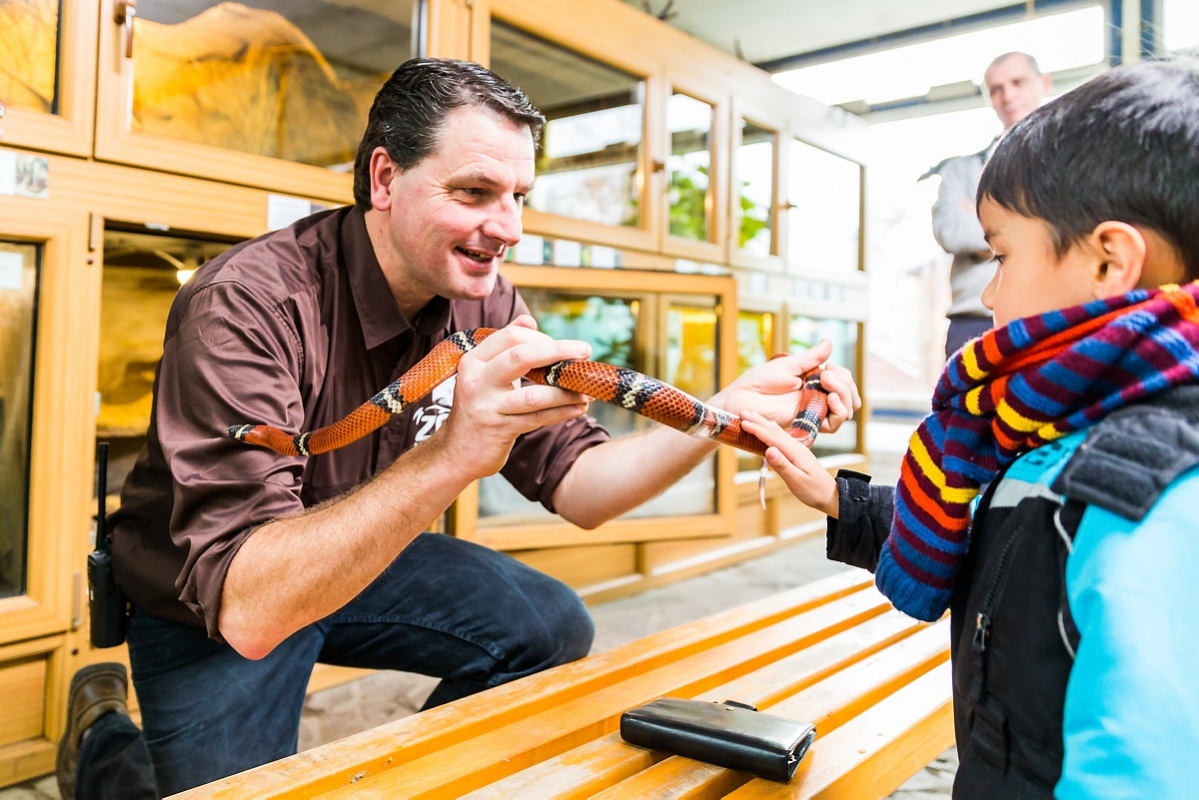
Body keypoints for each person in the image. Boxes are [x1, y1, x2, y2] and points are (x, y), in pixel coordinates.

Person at [55, 57, 859, 798]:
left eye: (519, 197)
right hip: (220, 591)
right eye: (475, 193)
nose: (507, 227)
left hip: (357, 551)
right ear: (384, 178)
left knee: (548, 626)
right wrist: (454, 455)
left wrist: (720, 415)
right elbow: (254, 610)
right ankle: (102, 746)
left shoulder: (486, 298)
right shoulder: (248, 302)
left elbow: (582, 488)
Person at [744, 59, 1199, 799]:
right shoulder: (1053, 428)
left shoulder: (1151, 493)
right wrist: (839, 499)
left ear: (1109, 260)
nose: (986, 293)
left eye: (1000, 255)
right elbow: (993, 530)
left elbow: (1144, 767)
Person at [925, 51, 1052, 358]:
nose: (1007, 95)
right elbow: (951, 232)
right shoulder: (962, 170)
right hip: (972, 324)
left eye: (1017, 82)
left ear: (1043, 84)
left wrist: (983, 225)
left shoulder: (1067, 162)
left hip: (1046, 320)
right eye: (996, 89)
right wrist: (1031, 224)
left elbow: (1076, 232)